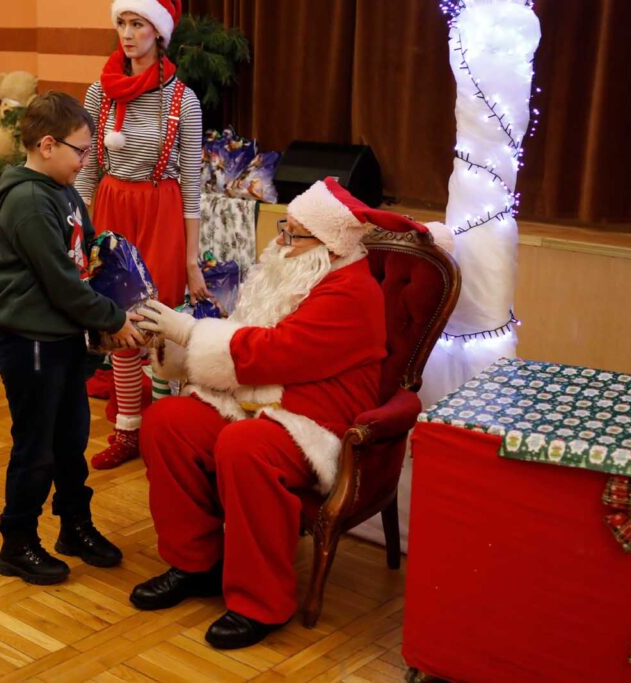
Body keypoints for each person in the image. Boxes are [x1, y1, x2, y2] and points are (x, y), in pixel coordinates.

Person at [132, 179, 427, 649]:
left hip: (314, 418)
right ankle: (196, 563)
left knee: (245, 447)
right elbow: (243, 336)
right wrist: (170, 338)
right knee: (169, 424)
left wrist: (188, 332)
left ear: (328, 247)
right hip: (251, 397)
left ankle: (260, 602)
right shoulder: (293, 273)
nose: (278, 243)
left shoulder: (350, 293)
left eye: (291, 234)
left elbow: (274, 353)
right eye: (282, 230)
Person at [0, 91, 145, 585]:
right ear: (48, 145)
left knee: (70, 439)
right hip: (31, 342)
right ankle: (17, 542)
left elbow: (85, 265)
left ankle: (74, 526)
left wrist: (114, 291)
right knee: (36, 447)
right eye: (80, 151)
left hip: (62, 340)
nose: (86, 161)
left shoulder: (64, 192)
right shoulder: (29, 200)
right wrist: (113, 320)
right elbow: (59, 282)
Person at [75, 0, 207, 470]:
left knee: (160, 322)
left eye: (138, 24)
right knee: (118, 321)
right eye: (122, 24)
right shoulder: (99, 94)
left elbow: (192, 187)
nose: (127, 34)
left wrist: (191, 261)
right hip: (112, 209)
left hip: (162, 211)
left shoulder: (183, 100)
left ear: (160, 33)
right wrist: (79, 238)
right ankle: (128, 428)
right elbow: (85, 172)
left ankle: (169, 429)